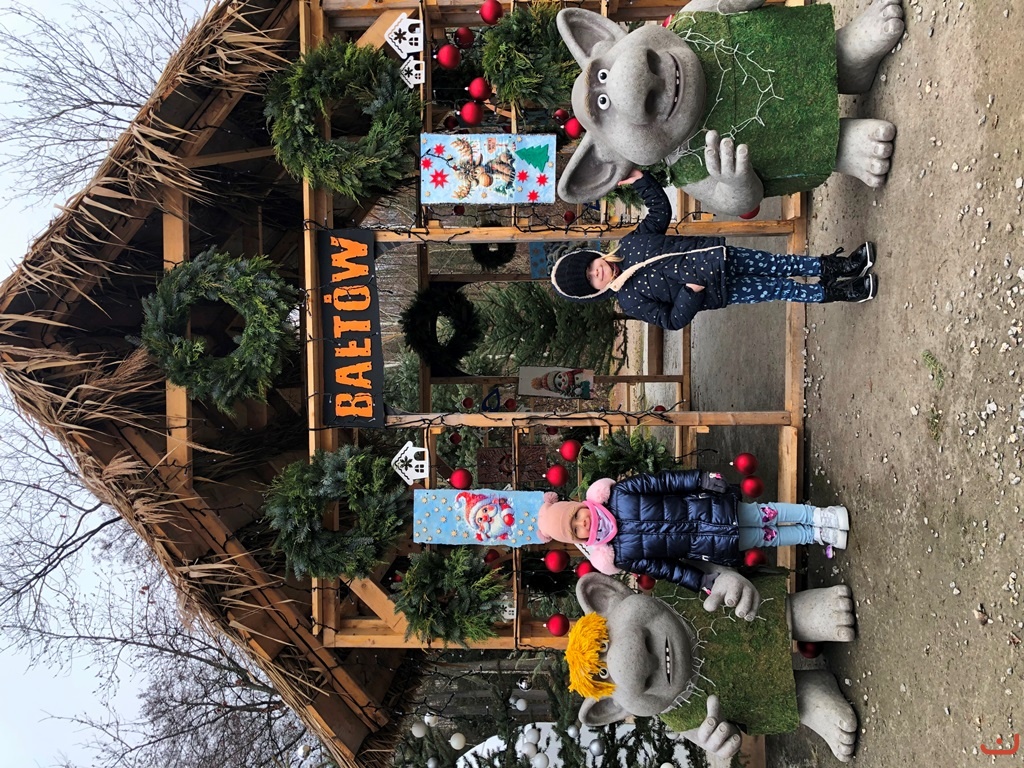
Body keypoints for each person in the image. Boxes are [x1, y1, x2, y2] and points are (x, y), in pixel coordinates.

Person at [550, 170, 878, 330]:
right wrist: (690, 292)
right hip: (720, 290)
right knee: (781, 287)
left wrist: (640, 180)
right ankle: (840, 293)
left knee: (782, 263)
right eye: (592, 279)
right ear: (595, 291)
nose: (597, 272)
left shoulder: (630, 244)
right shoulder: (630, 300)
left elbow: (659, 212)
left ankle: (841, 267)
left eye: (591, 266)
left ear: (594, 257)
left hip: (721, 257)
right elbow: (671, 320)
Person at [537, 469, 849, 596]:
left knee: (764, 514)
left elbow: (662, 482)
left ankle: (818, 515)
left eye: (577, 517)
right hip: (708, 544)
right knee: (768, 537)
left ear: (580, 505)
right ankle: (815, 535)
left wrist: (700, 479)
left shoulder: (620, 493)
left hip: (708, 508)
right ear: (579, 541)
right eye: (575, 531)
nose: (583, 525)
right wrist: (698, 580)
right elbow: (664, 568)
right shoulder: (621, 555)